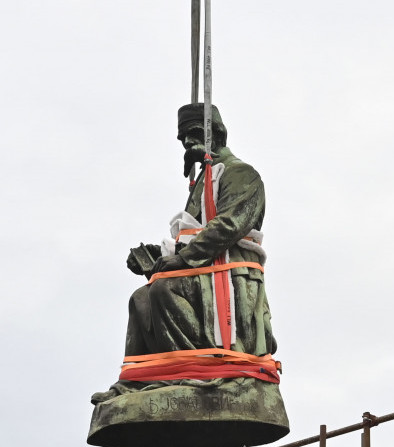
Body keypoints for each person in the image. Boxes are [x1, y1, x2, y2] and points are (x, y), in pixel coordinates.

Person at [91, 103, 276, 404]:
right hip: (202, 268)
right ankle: (138, 380)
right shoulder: (202, 181)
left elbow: (228, 225)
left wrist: (182, 259)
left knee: (164, 289)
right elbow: (193, 232)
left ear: (217, 133)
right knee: (140, 298)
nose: (188, 143)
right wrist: (156, 255)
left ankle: (194, 374)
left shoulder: (241, 174)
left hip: (229, 275)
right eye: (183, 139)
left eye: (193, 134)